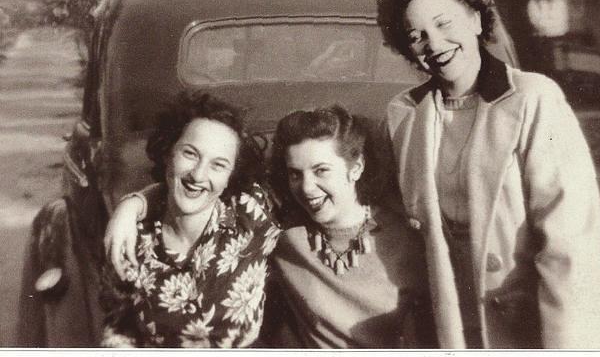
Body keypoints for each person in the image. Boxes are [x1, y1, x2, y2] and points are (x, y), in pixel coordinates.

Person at [376, 0, 600, 348]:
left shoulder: (534, 99)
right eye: (416, 35)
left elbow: (570, 244)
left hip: (538, 326)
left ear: (476, 20)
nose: (434, 44)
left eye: (444, 24)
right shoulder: (404, 115)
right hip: (455, 331)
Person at [104, 105, 438, 348]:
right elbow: (197, 188)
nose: (306, 188)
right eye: (295, 174)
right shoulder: (281, 226)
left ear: (356, 167)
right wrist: (132, 204)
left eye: (321, 170)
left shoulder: (406, 240)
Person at [100, 91, 280, 348]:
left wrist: (133, 203)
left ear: (231, 176)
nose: (198, 174)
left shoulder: (251, 213)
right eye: (190, 154)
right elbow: (119, 328)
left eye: (218, 165)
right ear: (167, 154)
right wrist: (131, 207)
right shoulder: (129, 239)